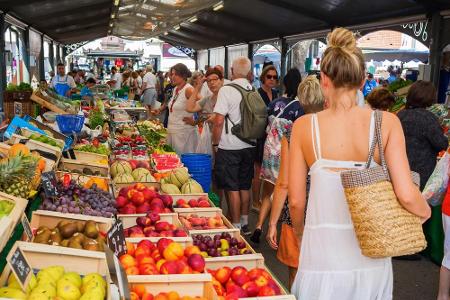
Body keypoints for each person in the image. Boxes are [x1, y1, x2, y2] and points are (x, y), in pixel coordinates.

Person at [289, 27, 431, 300]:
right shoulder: (387, 123)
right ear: (363, 78)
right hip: (371, 257)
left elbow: (296, 201)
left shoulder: (304, 127)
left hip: (321, 256)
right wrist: (423, 212)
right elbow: (405, 192)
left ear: (324, 80)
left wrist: (300, 234)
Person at [266, 75, 324, 289]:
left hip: (295, 215)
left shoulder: (292, 133)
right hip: (327, 214)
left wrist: (272, 223)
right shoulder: (336, 131)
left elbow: (284, 183)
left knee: (297, 276)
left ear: (301, 100)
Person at [250, 68, 303, 243]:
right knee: (283, 191)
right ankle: (277, 228)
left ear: (285, 83)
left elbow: (266, 126)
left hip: (269, 152)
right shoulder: (300, 108)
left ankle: (258, 225)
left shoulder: (274, 104)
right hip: (286, 154)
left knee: (268, 192)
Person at [212, 56, 255, 234]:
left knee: (232, 186)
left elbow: (219, 121)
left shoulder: (227, 90)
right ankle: (245, 222)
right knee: (245, 185)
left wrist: (215, 143)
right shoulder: (252, 89)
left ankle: (235, 225)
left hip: (230, 145)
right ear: (249, 72)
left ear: (232, 71)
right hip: (250, 144)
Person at [398, 80, 449, 191]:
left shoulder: (400, 114)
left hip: (400, 168)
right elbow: (441, 144)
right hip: (422, 171)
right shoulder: (428, 117)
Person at [153, 63, 198, 154]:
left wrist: (196, 121)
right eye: (172, 74)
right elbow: (171, 103)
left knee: (183, 164)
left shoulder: (188, 90)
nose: (172, 77)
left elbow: (205, 104)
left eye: (176, 74)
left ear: (183, 75)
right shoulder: (176, 89)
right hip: (173, 132)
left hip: (184, 135)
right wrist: (160, 109)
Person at [252, 65, 279, 211]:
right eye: (269, 76)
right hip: (260, 136)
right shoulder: (257, 93)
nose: (272, 79)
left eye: (275, 77)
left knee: (269, 172)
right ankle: (255, 201)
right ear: (263, 77)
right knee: (257, 171)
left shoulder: (276, 94)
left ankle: (264, 200)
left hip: (273, 138)